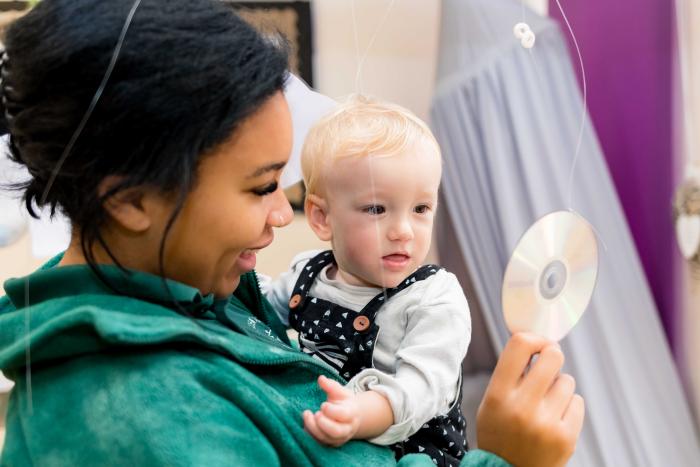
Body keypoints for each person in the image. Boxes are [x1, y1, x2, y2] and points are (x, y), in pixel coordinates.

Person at [0, 1, 584, 466]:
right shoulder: (143, 420)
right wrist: (510, 460)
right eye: (260, 187)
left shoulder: (207, 300)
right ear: (129, 198)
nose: (285, 216)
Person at [261, 96, 471, 466]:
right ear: (322, 217)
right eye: (377, 209)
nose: (403, 231)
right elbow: (255, 310)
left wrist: (360, 415)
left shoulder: (434, 299)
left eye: (421, 209)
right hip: (328, 432)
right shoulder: (307, 275)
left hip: (416, 449)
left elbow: (421, 389)